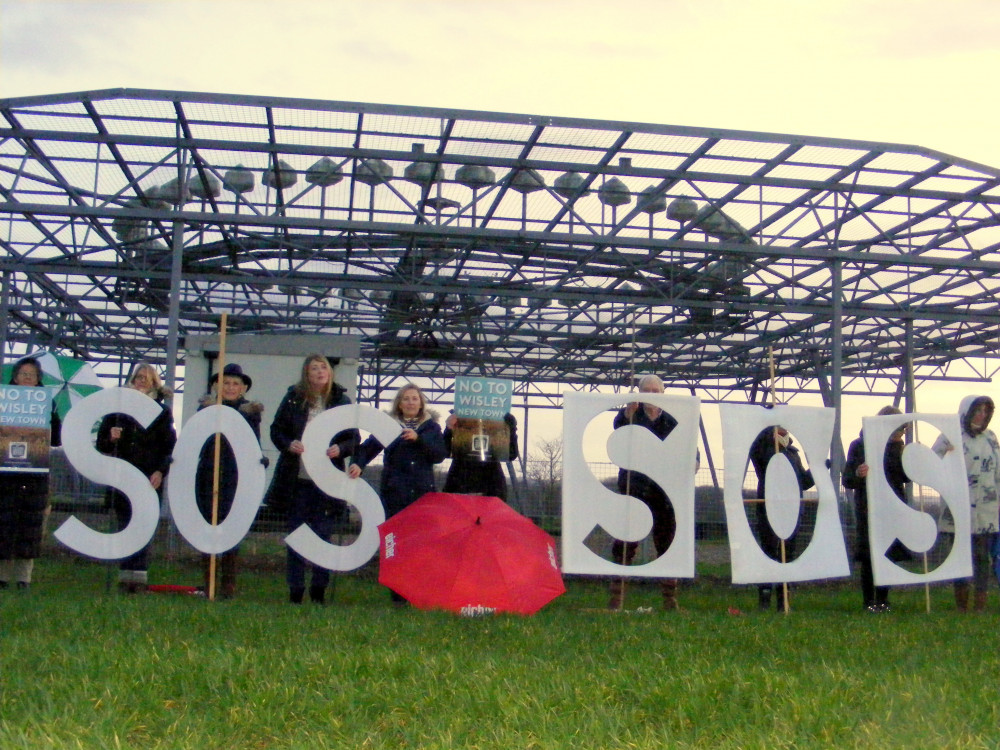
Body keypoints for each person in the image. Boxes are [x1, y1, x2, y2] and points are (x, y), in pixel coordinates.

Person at [264, 354, 357, 605]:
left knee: (323, 535)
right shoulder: (293, 398)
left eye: (323, 367)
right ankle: (295, 590)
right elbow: (276, 430)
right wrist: (287, 444)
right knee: (296, 535)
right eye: (314, 368)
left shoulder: (341, 401)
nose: (319, 371)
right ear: (306, 374)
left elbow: (353, 438)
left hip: (327, 482)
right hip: (298, 481)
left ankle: (319, 590)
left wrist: (341, 448)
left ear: (330, 372)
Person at [349, 383, 447, 603]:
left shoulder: (431, 428)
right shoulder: (388, 425)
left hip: (422, 494)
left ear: (421, 403)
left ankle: (418, 591)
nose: (411, 402)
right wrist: (359, 464)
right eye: (406, 399)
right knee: (397, 544)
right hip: (396, 492)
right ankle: (398, 595)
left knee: (421, 544)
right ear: (399, 404)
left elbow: (439, 454)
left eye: (414, 398)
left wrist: (419, 439)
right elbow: (369, 447)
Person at [96, 363, 177, 593]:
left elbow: (168, 447)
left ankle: (138, 578)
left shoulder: (162, 413)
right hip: (121, 480)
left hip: (148, 478)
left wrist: (161, 470)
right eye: (139, 377)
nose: (142, 381)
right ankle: (124, 576)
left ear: (154, 385)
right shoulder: (117, 410)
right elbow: (102, 445)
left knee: (142, 527)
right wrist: (111, 438)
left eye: (147, 379)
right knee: (123, 526)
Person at [607, 374, 685, 611]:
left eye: (655, 391)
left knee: (667, 543)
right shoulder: (630, 415)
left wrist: (693, 462)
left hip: (664, 493)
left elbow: (688, 445)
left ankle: (670, 598)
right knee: (625, 543)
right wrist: (627, 416)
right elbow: (618, 431)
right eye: (646, 390)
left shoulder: (674, 419)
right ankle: (617, 597)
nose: (651, 395)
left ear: (663, 394)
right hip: (634, 489)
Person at [194, 363, 263, 599]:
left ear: (243, 388)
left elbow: (253, 444)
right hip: (207, 474)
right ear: (216, 385)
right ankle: (209, 583)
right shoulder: (205, 410)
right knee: (208, 528)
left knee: (231, 528)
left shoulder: (250, 413)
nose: (230, 387)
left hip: (235, 477)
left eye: (235, 383)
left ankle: (228, 585)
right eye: (226, 382)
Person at [932, 395, 1000, 612]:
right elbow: (931, 465)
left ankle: (979, 605)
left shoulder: (990, 438)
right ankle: (962, 604)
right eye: (978, 410)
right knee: (960, 557)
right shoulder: (950, 436)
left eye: (985, 411)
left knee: (982, 557)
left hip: (985, 511)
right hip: (958, 509)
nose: (982, 415)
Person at [0, 357, 62, 591]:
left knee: (31, 524)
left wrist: (50, 418)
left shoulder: (49, 404)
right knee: (3, 523)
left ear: (38, 380)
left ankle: (24, 578)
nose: (27, 379)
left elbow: (56, 438)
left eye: (32, 375)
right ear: (15, 378)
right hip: (5, 473)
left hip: (34, 472)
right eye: (23, 374)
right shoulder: (3, 400)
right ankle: (3, 577)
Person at [842, 405, 909, 613]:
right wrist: (858, 473)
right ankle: (868, 600)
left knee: (887, 554)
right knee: (870, 555)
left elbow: (906, 477)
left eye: (903, 429)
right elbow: (847, 479)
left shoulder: (900, 448)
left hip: (893, 508)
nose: (900, 433)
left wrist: (911, 460)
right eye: (898, 429)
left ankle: (883, 599)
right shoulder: (860, 445)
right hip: (868, 509)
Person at [749, 423, 815, 611]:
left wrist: (817, 470)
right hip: (769, 506)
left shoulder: (793, 451)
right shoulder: (763, 446)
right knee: (769, 553)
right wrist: (767, 430)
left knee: (788, 555)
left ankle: (783, 601)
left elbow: (803, 482)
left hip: (792, 509)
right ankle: (764, 598)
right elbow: (761, 460)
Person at [442, 411, 519, 500]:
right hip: (462, 483)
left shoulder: (499, 424)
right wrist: (448, 429)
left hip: (488, 486)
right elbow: (444, 451)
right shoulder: (458, 420)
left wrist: (511, 430)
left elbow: (511, 454)